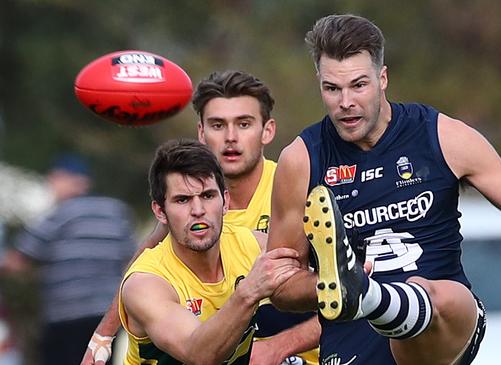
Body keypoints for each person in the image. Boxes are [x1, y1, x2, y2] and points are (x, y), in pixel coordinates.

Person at [266, 14, 501, 365]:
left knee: (434, 294)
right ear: (319, 84)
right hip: (352, 343)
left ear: (382, 78)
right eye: (332, 88)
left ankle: (367, 293)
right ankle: (355, 290)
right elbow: (282, 286)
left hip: (444, 328)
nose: (346, 102)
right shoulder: (302, 159)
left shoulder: (443, 138)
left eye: (358, 85)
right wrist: (324, 286)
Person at [82, 70, 321, 365]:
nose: (231, 138)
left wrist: (282, 345)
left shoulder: (296, 191)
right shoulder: (174, 230)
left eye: (243, 124)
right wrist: (104, 334)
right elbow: (145, 261)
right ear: (201, 132)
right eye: (218, 125)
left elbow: (344, 287)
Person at [118, 138, 300, 364]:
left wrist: (350, 275)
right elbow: (199, 355)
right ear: (160, 212)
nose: (198, 210)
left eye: (207, 196)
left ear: (225, 201)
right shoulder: (145, 283)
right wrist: (248, 292)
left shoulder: (253, 246)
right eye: (182, 200)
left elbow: (326, 292)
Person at [1, 153, 136, 365]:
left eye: (53, 179)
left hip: (65, 317)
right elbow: (131, 261)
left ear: (68, 179)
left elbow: (20, 259)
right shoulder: (116, 211)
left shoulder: (61, 213)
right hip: (107, 317)